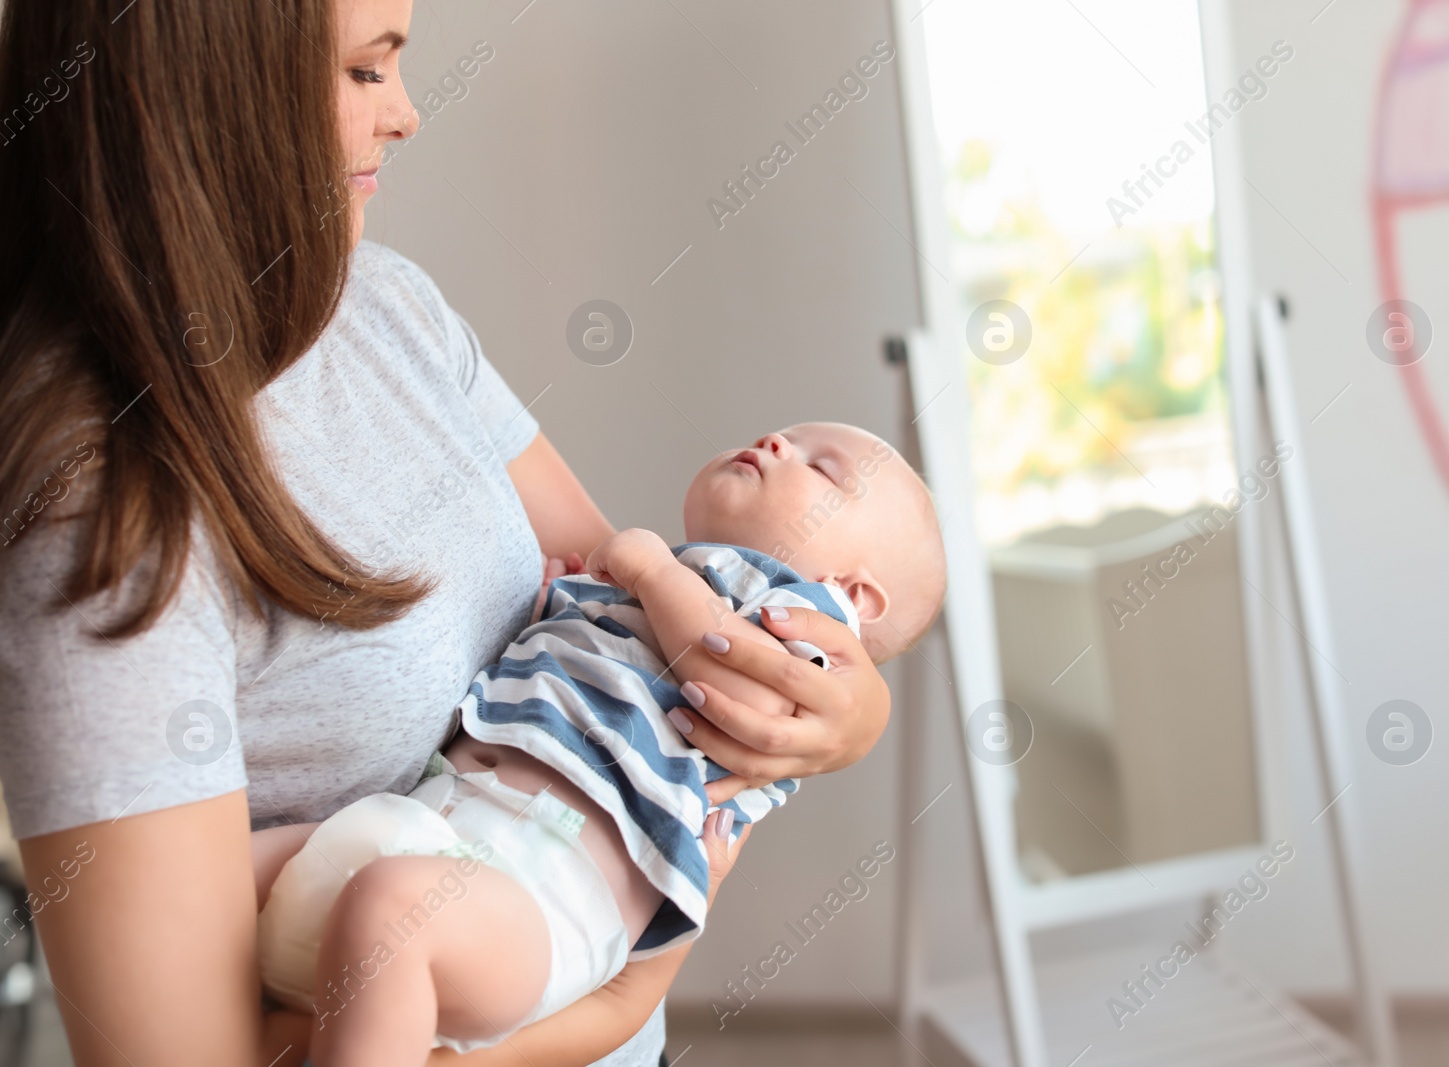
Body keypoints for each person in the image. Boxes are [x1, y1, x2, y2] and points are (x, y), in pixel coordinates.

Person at [0, 2, 893, 1065]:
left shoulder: (387, 310)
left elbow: (636, 632)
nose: (411, 116)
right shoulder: (100, 519)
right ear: (206, 99)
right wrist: (618, 989)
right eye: (368, 73)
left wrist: (849, 713)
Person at [253, 423, 947, 1062]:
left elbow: (748, 693)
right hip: (432, 819)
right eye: (786, 435)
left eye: (821, 468)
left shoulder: (802, 617)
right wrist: (562, 609)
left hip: (541, 896)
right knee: (224, 871)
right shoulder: (653, 590)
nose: (775, 442)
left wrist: (651, 571)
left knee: (390, 908)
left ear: (855, 595)